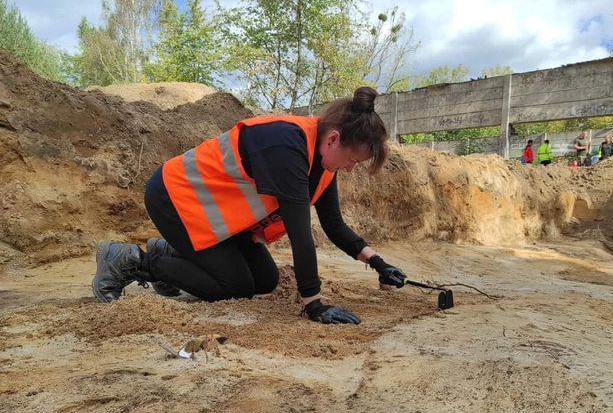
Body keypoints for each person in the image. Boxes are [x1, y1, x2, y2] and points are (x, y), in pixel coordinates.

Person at [92, 87, 408, 325]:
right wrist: (314, 304)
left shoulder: (323, 164)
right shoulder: (288, 144)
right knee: (235, 286)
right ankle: (133, 261)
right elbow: (301, 235)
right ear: (333, 139)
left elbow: (334, 225)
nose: (350, 168)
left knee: (265, 280)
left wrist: (378, 263)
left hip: (217, 218)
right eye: (352, 159)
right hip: (176, 199)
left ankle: (172, 253)